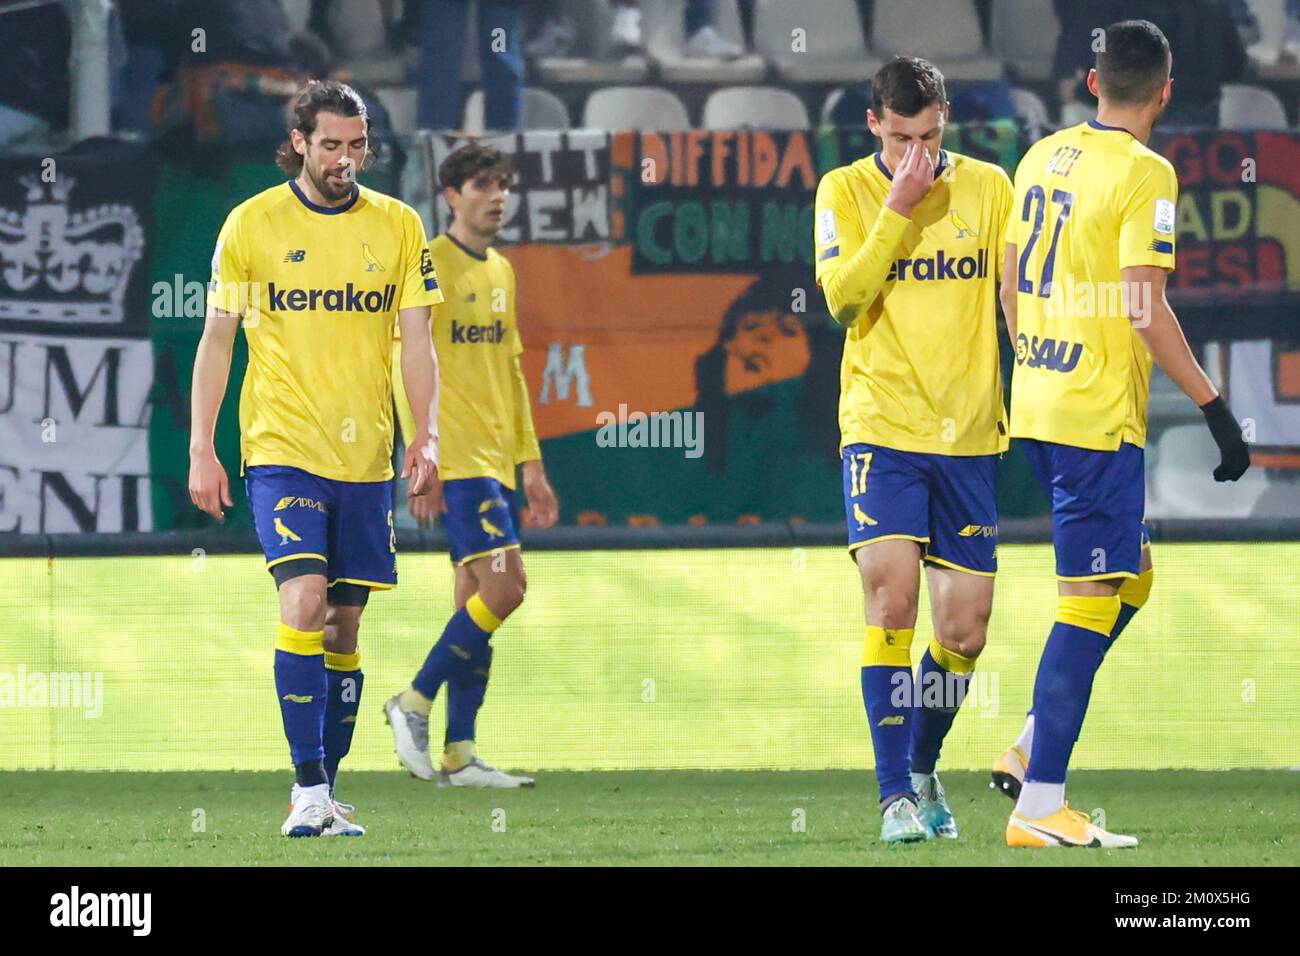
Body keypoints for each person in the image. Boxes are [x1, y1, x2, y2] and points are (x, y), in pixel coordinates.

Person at [998, 19, 1251, 848]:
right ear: (1167, 93)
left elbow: (1008, 287)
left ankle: (1032, 744)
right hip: (1094, 418)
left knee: (1130, 576)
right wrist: (1214, 407)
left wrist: (1038, 352)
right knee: (1088, 603)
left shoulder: (1040, 155)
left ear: (1091, 81)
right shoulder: (1146, 175)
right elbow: (1144, 307)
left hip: (1036, 398)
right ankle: (1040, 805)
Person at [189, 79, 442, 837]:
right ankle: (306, 790)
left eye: (357, 144)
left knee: (343, 628)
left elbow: (418, 341)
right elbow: (217, 339)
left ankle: (326, 795)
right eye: (331, 144)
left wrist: (425, 434)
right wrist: (203, 447)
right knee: (302, 602)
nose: (345, 158)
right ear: (299, 141)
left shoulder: (398, 226)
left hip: (366, 458)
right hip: (281, 450)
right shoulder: (251, 224)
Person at [814, 57, 1014, 843]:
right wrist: (896, 207)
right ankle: (894, 794)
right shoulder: (846, 191)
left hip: (968, 435)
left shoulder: (989, 187)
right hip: (882, 428)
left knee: (964, 632)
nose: (917, 155)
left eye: (930, 136)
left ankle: (924, 765)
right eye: (901, 138)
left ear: (946, 117)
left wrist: (1031, 364)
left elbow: (1011, 290)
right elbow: (842, 298)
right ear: (875, 125)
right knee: (891, 600)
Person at [385, 143, 559, 788]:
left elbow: (510, 368)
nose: (497, 196)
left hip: (494, 458)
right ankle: (413, 701)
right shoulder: (428, 262)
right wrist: (421, 451)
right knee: (506, 588)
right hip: (454, 455)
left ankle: (459, 752)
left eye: (504, 185)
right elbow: (407, 359)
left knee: (474, 602)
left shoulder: (503, 271)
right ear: (451, 193)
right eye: (483, 184)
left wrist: (532, 462)